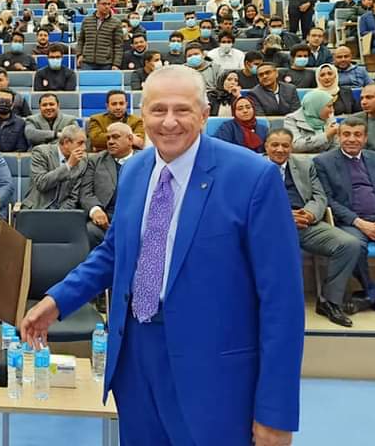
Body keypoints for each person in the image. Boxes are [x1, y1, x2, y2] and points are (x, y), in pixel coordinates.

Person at [22, 64, 304, 446]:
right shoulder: (136, 170)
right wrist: (57, 300)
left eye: (182, 109)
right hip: (135, 363)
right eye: (158, 110)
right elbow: (115, 252)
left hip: (213, 376)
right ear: (142, 116)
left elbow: (282, 302)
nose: (169, 122)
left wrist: (275, 412)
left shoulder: (254, 178)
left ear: (204, 114)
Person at [263, 129, 360, 326]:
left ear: (292, 147)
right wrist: (284, 217)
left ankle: (329, 301)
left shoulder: (305, 165)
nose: (280, 149)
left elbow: (319, 197)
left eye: (285, 145)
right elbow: (247, 202)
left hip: (305, 224)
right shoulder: (253, 166)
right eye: (275, 145)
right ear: (266, 146)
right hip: (269, 228)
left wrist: (309, 214)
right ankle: (272, 305)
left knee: (349, 244)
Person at [314, 118, 375, 317]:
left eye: (357, 135)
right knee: (354, 246)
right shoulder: (323, 162)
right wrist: (360, 223)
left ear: (365, 138)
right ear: (338, 136)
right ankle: (374, 293)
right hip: (351, 222)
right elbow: (328, 201)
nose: (352, 139)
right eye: (346, 134)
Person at [79, 122, 135, 250]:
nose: (110, 142)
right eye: (108, 138)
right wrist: (95, 210)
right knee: (89, 231)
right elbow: (85, 193)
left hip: (136, 219)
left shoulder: (146, 160)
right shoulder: (95, 161)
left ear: (130, 139)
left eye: (116, 137)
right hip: (106, 219)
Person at [20, 125, 87, 210]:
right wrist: (68, 165)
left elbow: (73, 198)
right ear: (66, 142)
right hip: (37, 208)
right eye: (80, 143)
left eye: (85, 143)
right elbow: (41, 184)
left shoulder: (81, 162)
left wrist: (59, 214)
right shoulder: (41, 152)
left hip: (63, 211)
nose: (84, 148)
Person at [77, 0, 123, 70]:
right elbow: (81, 40)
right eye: (104, 4)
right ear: (97, 5)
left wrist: (116, 64)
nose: (107, 6)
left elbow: (118, 45)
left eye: (109, 4)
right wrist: (79, 54)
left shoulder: (116, 23)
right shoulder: (87, 20)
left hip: (106, 63)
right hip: (87, 62)